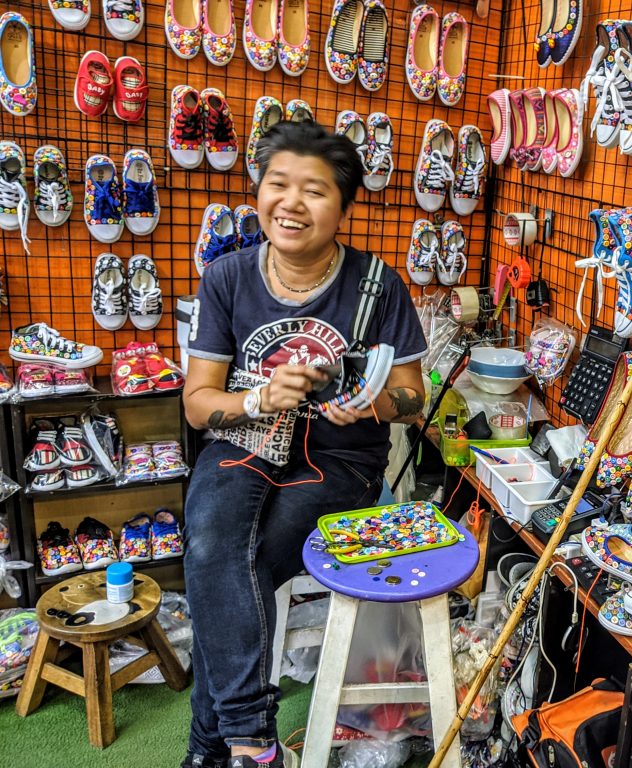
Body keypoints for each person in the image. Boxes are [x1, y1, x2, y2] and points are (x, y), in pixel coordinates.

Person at [181, 120, 427, 768]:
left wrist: (368, 403)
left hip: (339, 455)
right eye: (277, 184)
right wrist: (257, 397)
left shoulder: (378, 284)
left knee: (243, 559)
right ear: (257, 191)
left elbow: (413, 398)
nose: (290, 203)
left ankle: (214, 749)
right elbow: (199, 403)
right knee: (212, 540)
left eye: (313, 190)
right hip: (244, 435)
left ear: (344, 207)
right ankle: (250, 741)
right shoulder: (228, 277)